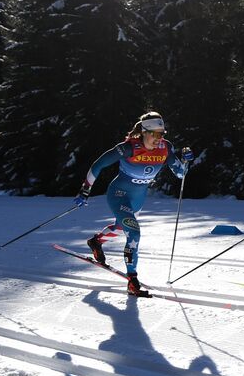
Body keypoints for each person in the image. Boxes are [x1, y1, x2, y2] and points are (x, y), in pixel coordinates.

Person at [74, 111, 192, 297]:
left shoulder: (165, 148)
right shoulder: (128, 148)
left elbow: (180, 174)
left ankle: (96, 241)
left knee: (122, 227)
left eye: (162, 134)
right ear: (144, 132)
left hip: (138, 198)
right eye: (154, 134)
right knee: (134, 232)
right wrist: (85, 189)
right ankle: (132, 280)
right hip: (119, 194)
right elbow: (98, 164)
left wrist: (186, 161)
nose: (159, 138)